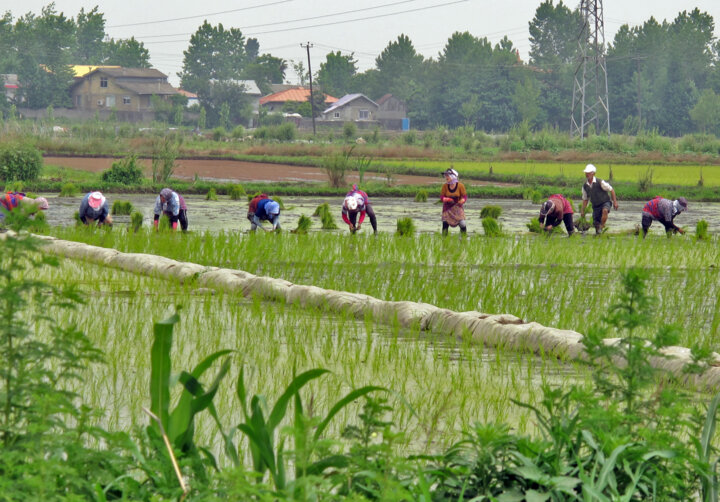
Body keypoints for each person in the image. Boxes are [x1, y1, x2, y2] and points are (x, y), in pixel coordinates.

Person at [580, 164, 618, 234]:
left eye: (588, 173)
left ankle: (602, 225)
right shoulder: (585, 186)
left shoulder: (600, 182)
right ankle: (599, 232)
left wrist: (615, 202)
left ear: (593, 173)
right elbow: (585, 199)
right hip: (595, 205)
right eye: (586, 173)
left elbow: (611, 189)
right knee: (596, 224)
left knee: (605, 210)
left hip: (605, 201)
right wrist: (583, 210)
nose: (587, 174)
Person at [440, 168, 467, 236]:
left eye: (447, 176)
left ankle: (464, 238)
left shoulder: (460, 186)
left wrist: (463, 200)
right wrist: (445, 199)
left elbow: (464, 196)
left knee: (462, 223)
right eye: (445, 176)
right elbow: (441, 197)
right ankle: (444, 240)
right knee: (445, 224)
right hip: (447, 208)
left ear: (453, 176)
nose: (446, 177)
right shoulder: (445, 186)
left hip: (457, 207)